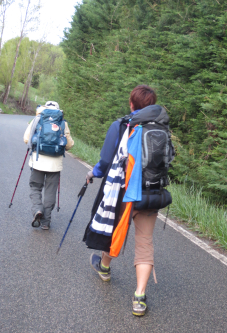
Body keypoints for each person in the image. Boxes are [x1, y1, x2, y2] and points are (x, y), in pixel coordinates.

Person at [83, 85, 172, 316]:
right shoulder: (162, 127)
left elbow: (105, 160)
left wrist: (93, 173)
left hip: (123, 192)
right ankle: (139, 298)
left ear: (132, 104)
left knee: (115, 231)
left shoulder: (122, 125)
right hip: (152, 192)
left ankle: (104, 267)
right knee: (144, 242)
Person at [23, 101, 74, 230]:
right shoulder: (63, 122)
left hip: (38, 161)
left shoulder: (37, 119)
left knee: (35, 187)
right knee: (50, 192)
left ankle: (37, 210)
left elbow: (26, 139)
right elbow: (68, 145)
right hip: (55, 164)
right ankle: (46, 222)